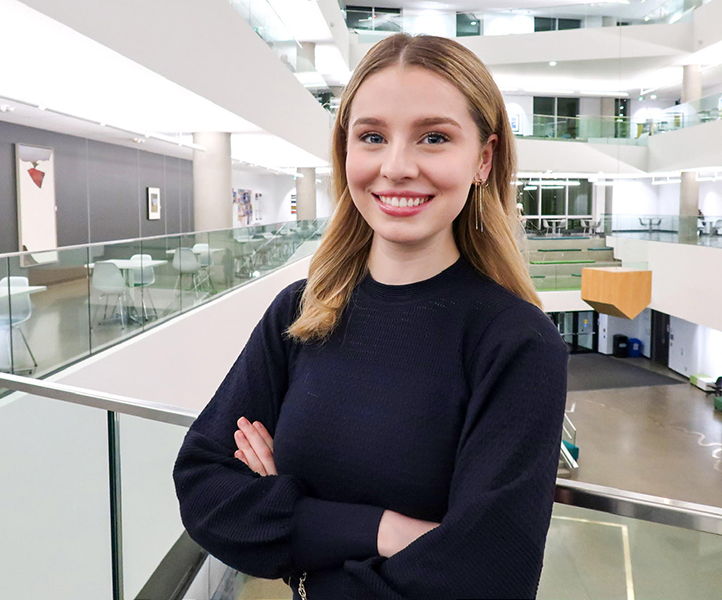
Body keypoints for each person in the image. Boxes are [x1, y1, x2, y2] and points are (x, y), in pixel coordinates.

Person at [173, 33, 568, 599]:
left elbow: (487, 578)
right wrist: (385, 532)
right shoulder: (302, 312)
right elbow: (204, 488)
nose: (397, 166)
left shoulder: (517, 343)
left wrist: (294, 524)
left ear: (483, 159)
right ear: (347, 152)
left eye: (434, 137)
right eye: (372, 137)